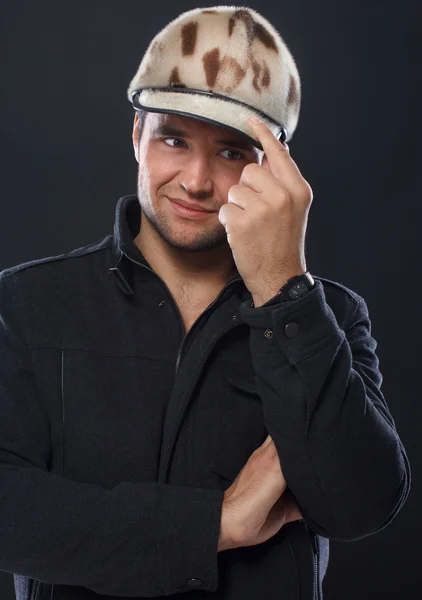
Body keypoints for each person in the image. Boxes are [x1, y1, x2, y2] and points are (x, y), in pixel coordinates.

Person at [0, 5, 411, 600]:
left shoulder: (329, 316)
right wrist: (213, 523)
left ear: (275, 170)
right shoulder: (28, 303)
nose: (196, 181)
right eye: (173, 138)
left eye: (231, 152)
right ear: (137, 135)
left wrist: (284, 290)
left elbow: (362, 506)